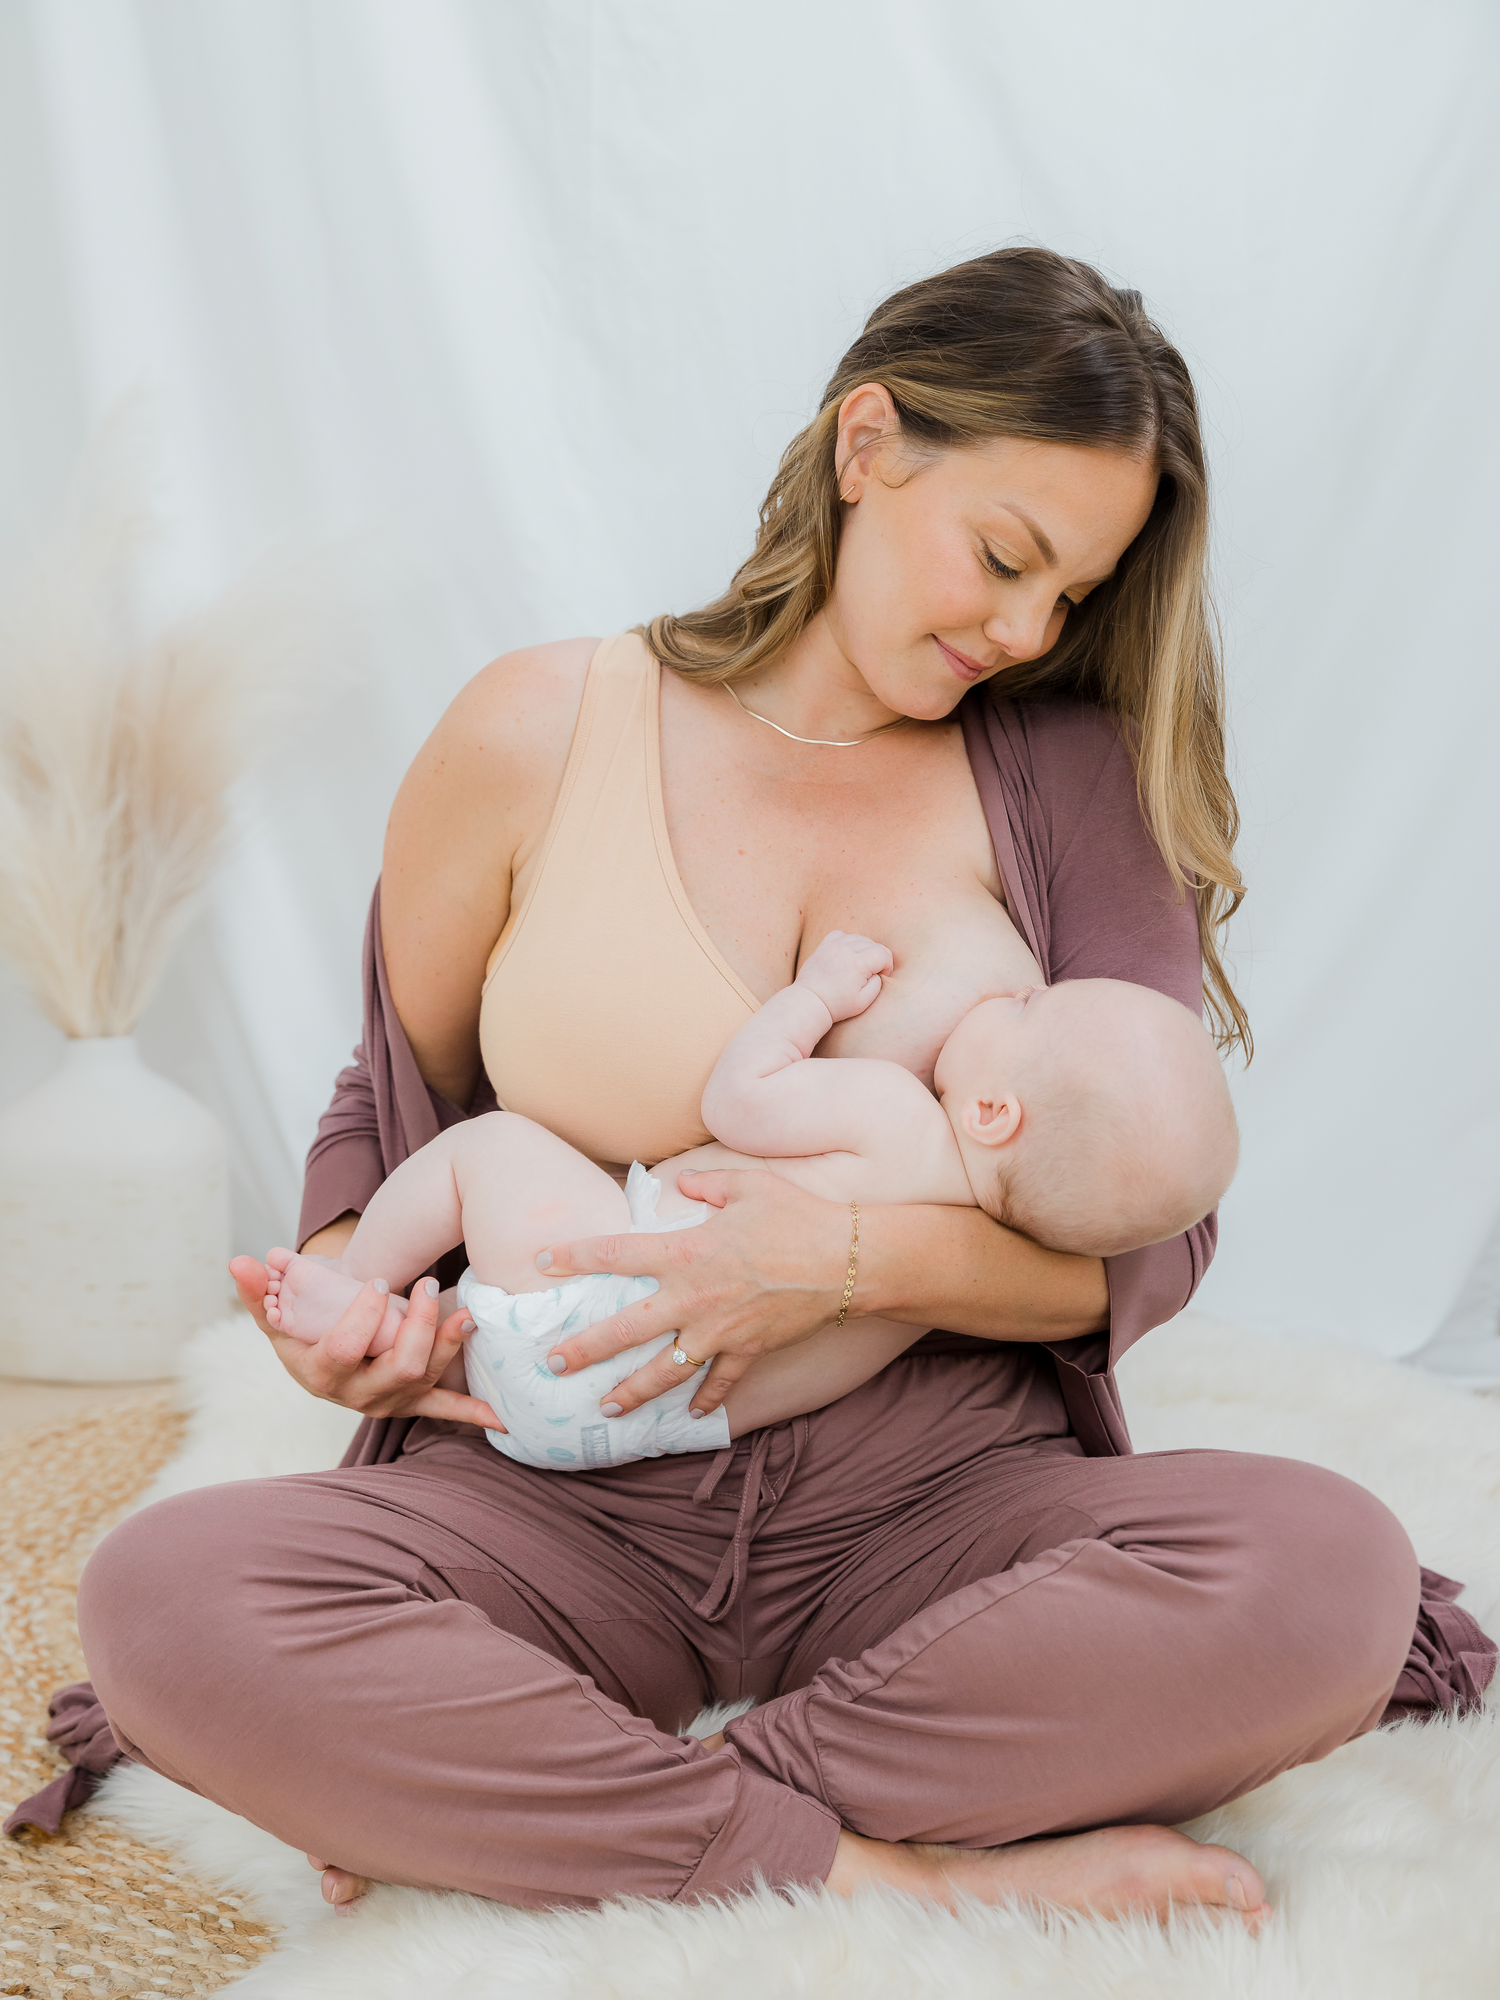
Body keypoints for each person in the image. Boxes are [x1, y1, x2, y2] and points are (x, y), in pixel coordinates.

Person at [50, 248, 1493, 1926]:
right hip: (554, 1485)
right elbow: (394, 1108)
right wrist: (346, 1303)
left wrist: (832, 1260)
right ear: (866, 444)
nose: (1025, 631)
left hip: (936, 1496)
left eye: (1072, 597)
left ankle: (584, 1810)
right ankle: (905, 1873)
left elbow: (1146, 1244)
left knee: (1326, 1573)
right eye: (1006, 558)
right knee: (170, 1600)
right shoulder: (538, 730)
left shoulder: (1064, 781)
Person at [260, 931, 1237, 1473]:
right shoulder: (959, 1277)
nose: (1014, 993)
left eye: (1028, 1007)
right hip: (625, 1429)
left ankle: (361, 1283)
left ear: (990, 1110)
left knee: (489, 1149)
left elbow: (739, 1098)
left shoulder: (899, 1115)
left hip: (594, 1284)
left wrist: (815, 997)